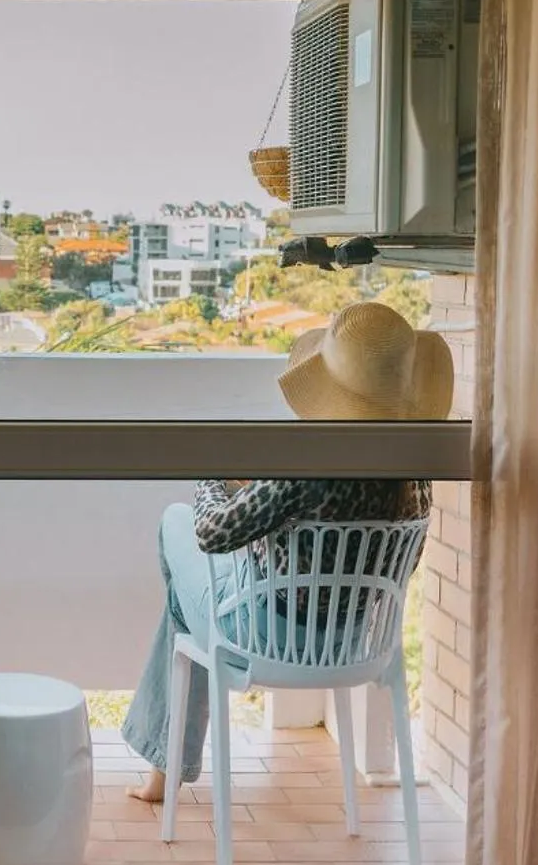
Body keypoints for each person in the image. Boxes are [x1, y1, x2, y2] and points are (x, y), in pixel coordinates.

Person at [121, 300, 454, 804]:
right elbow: (401, 563)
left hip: (263, 639)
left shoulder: (307, 463)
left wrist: (215, 477)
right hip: (356, 643)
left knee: (177, 529)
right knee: (190, 606)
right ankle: (160, 768)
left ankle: (164, 770)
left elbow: (212, 533)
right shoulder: (415, 475)